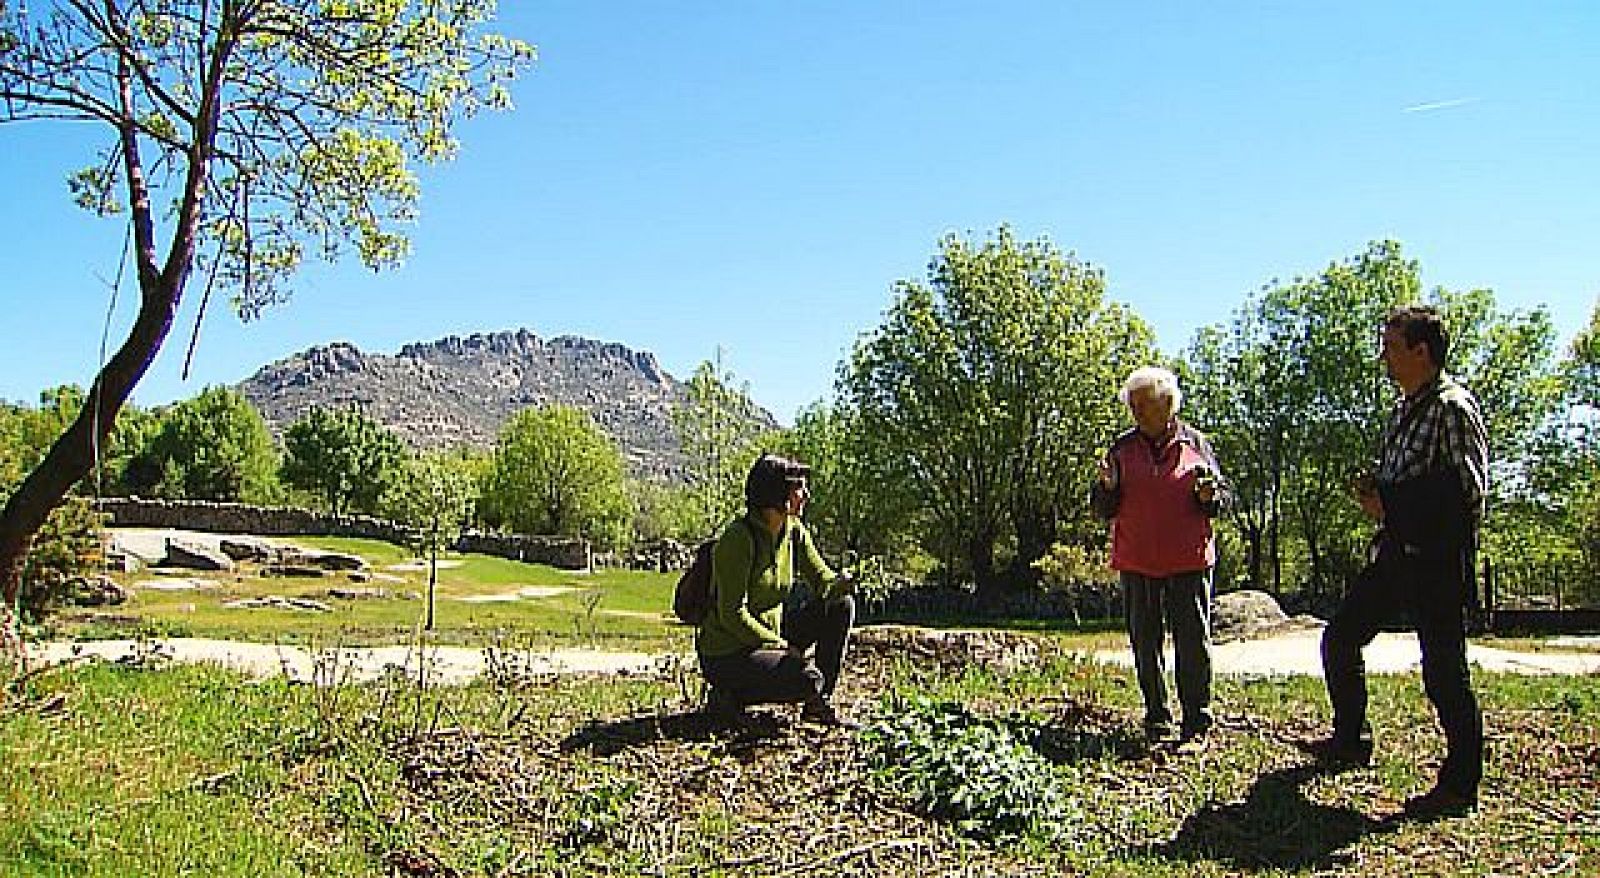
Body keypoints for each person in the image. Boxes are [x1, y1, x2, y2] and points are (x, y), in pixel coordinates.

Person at [1306, 306, 1488, 819]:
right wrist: (1379, 493)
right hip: (1395, 553)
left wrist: (1392, 502)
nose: (1383, 356)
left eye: (1390, 345)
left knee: (1444, 671)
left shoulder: (1451, 407)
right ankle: (1351, 740)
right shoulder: (1405, 410)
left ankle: (1460, 784)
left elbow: (1466, 490)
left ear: (1420, 352)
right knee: (1340, 637)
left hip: (1436, 559)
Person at [1091, 366, 1229, 745]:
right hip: (1137, 559)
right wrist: (1107, 487)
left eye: (1144, 405)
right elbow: (1103, 507)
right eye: (1133, 405)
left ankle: (1197, 720)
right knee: (1144, 641)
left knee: (1192, 640)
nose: (1136, 413)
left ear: (1168, 406)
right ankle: (1156, 716)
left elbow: (1222, 499)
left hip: (1188, 559)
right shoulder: (1121, 449)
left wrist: (1209, 497)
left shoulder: (1197, 444)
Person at [697, 452, 857, 728]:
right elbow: (732, 614)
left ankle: (818, 705)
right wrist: (780, 646)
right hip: (729, 650)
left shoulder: (793, 530)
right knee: (805, 679)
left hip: (771, 634)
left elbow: (822, 581)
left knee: (841, 605)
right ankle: (729, 695)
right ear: (776, 493)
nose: (805, 495)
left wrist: (840, 583)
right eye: (798, 487)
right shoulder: (738, 539)